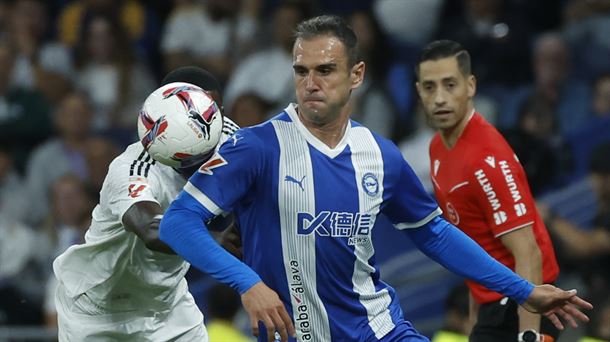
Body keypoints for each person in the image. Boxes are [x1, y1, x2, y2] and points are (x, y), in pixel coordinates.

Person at [159, 16, 592, 342]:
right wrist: (248, 283)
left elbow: (435, 235)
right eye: (301, 71)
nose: (310, 83)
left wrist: (523, 291)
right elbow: (178, 222)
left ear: (357, 76)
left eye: (325, 70)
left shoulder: (381, 154)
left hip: (380, 330)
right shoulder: (256, 147)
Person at [52, 66, 241, 341]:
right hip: (99, 310)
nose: (202, 123)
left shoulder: (231, 139)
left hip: (168, 306)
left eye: (210, 110)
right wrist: (213, 239)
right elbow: (152, 231)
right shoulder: (130, 168)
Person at [418, 40, 561, 342]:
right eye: (430, 87)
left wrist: (529, 335)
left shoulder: (486, 159)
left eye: (450, 85)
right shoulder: (437, 149)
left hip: (524, 303)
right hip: (491, 305)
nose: (440, 98)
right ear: (419, 91)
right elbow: (473, 246)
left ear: (470, 86)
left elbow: (528, 251)